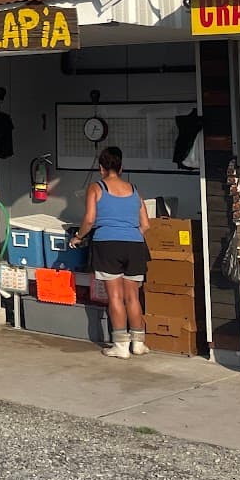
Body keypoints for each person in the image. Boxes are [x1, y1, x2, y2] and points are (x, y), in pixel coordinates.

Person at [71, 146, 151, 358]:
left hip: (107, 244)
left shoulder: (96, 188)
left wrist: (78, 237)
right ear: (121, 167)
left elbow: (89, 219)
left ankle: (121, 345)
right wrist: (130, 233)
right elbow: (146, 224)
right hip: (134, 244)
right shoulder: (134, 189)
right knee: (133, 296)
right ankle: (139, 343)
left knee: (115, 296)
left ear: (101, 168)